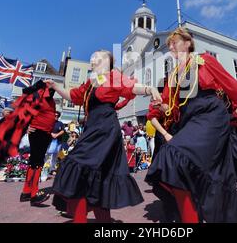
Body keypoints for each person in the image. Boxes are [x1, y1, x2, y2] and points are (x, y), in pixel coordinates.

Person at [145, 28, 237, 223]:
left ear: (188, 43)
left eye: (175, 42)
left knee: (173, 155)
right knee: (172, 166)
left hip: (211, 114)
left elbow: (231, 85)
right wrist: (161, 104)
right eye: (169, 44)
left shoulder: (204, 61)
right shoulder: (173, 75)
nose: (171, 46)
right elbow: (171, 108)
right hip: (190, 120)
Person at [46, 49, 162, 223]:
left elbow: (130, 87)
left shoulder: (113, 75)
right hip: (92, 128)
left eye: (98, 56)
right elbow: (73, 96)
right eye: (93, 56)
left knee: (78, 165)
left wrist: (149, 88)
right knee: (98, 175)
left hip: (105, 129)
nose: (94, 58)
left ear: (107, 61)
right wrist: (55, 86)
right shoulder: (93, 81)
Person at [19, 86, 57, 206]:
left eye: (53, 90)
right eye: (49, 89)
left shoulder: (52, 101)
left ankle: (26, 192)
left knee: (36, 160)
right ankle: (33, 194)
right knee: (37, 161)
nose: (51, 92)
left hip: (45, 133)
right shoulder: (37, 97)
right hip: (37, 131)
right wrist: (26, 127)